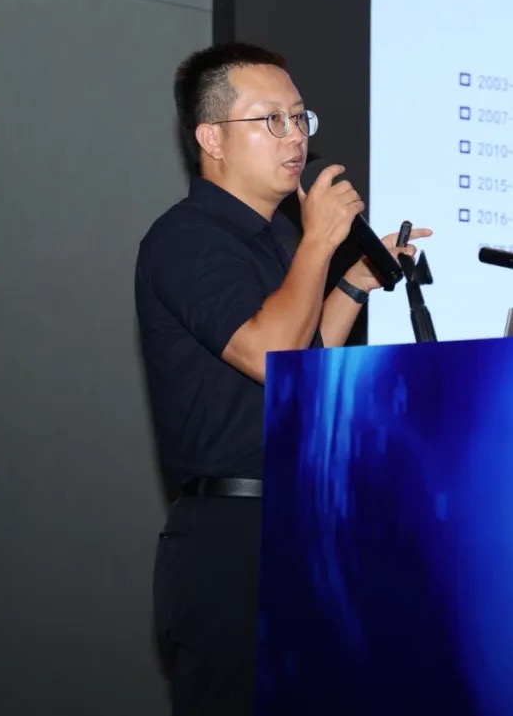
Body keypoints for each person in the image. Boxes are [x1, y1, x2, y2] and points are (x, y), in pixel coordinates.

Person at [134, 42, 430, 715]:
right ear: (211, 138)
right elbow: (271, 354)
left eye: (300, 118)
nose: (295, 136)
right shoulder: (185, 238)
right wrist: (321, 241)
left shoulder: (275, 242)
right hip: (233, 538)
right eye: (271, 119)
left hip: (301, 521)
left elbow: (304, 363)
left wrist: (354, 282)